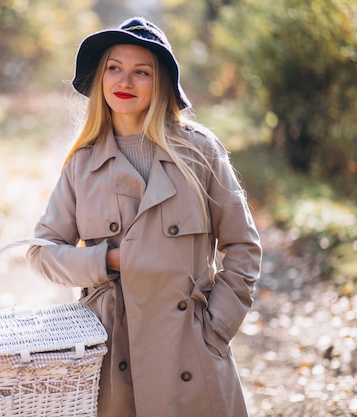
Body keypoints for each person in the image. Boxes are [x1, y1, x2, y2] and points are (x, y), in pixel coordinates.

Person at [26, 17, 262, 417]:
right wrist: (105, 261)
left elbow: (243, 246)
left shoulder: (200, 152)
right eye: (114, 68)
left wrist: (216, 328)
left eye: (142, 72)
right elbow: (42, 253)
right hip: (112, 354)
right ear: (100, 79)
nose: (125, 81)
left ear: (162, 83)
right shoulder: (82, 164)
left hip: (190, 352)